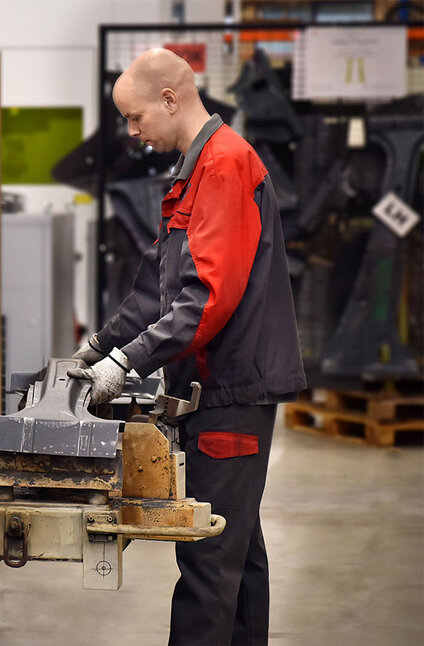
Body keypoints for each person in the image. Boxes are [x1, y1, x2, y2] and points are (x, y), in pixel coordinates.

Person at [68, 48, 306, 645]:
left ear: (170, 99)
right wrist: (97, 348)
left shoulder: (225, 166)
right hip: (215, 390)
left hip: (231, 392)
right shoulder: (193, 171)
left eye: (136, 116)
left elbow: (208, 298)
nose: (132, 131)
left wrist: (128, 362)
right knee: (237, 552)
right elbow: (156, 287)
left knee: (206, 560)